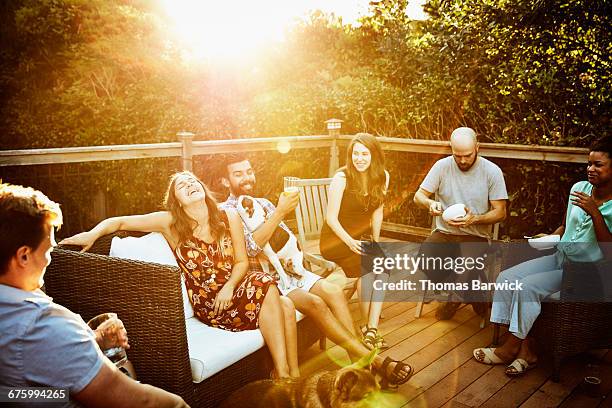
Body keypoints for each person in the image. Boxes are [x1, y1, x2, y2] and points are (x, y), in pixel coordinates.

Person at [61, 172, 300, 379]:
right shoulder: (170, 222)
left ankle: (290, 375)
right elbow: (120, 221)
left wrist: (229, 287)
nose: (189, 184)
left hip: (236, 288)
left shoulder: (229, 216)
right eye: (182, 186)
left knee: (286, 303)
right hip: (210, 301)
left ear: (203, 188)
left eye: (192, 180)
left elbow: (241, 262)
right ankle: (282, 374)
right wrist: (91, 234)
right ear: (177, 201)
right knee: (268, 287)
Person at [220, 152, 412, 389]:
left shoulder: (263, 203)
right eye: (238, 174)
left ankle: (361, 368)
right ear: (225, 181)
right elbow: (250, 249)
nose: (246, 177)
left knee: (333, 291)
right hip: (267, 281)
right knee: (316, 303)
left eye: (249, 171)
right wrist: (280, 212)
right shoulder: (226, 212)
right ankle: (374, 363)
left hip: (291, 272)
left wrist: (299, 259)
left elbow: (287, 240)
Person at [0, 183, 189, 408]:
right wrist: (178, 404)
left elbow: (11, 393)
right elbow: (140, 401)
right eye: (48, 250)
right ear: (23, 256)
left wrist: (93, 338)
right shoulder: (46, 323)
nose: (50, 259)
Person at [474, 136, 612, 376]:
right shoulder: (579, 189)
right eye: (589, 163)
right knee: (508, 277)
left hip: (588, 273)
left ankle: (509, 349)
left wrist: (595, 212)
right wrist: (552, 235)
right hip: (561, 258)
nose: (590, 169)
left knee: (527, 287)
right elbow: (566, 223)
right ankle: (525, 350)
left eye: (598, 165)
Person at [413, 127, 508, 320]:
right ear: (451, 150)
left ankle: (455, 297)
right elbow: (418, 196)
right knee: (424, 258)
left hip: (476, 236)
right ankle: (469, 292)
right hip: (444, 233)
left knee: (466, 263)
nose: (462, 160)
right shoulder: (442, 166)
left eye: (467, 155)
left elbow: (501, 212)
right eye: (457, 156)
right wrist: (430, 203)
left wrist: (476, 218)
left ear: (478, 148)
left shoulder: (492, 171)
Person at [320, 133, 391, 351]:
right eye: (355, 153)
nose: (359, 158)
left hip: (360, 239)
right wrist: (350, 241)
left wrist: (376, 242)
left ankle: (371, 329)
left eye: (365, 153)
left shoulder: (383, 177)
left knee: (383, 266)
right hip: (336, 239)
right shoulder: (341, 178)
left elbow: (377, 212)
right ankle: (368, 328)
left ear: (374, 156)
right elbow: (330, 218)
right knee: (367, 271)